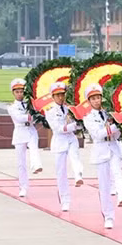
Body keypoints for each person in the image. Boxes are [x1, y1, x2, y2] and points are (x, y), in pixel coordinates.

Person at [81, 84, 119, 229]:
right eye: (93, 99)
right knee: (104, 185)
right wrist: (116, 126)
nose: (97, 101)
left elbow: (118, 135)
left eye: (98, 98)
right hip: (101, 151)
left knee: (118, 174)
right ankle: (108, 216)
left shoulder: (109, 114)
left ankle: (121, 196)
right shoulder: (88, 118)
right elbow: (98, 134)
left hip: (113, 148)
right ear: (89, 102)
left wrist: (118, 127)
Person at [45, 81, 84, 212]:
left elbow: (78, 123)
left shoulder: (69, 108)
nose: (60, 97)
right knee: (61, 172)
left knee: (75, 157)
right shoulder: (50, 111)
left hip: (71, 138)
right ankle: (65, 200)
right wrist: (72, 126)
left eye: (62, 94)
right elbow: (57, 128)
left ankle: (78, 175)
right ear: (53, 96)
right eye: (57, 95)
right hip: (59, 141)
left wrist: (77, 123)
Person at [7, 78, 42, 198]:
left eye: (21, 91)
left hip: (30, 130)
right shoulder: (11, 107)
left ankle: (36, 166)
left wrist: (33, 115)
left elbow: (37, 115)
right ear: (13, 93)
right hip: (20, 132)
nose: (20, 94)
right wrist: (30, 116)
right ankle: (23, 187)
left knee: (34, 149)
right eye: (17, 92)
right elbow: (19, 118)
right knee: (21, 163)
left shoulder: (30, 104)